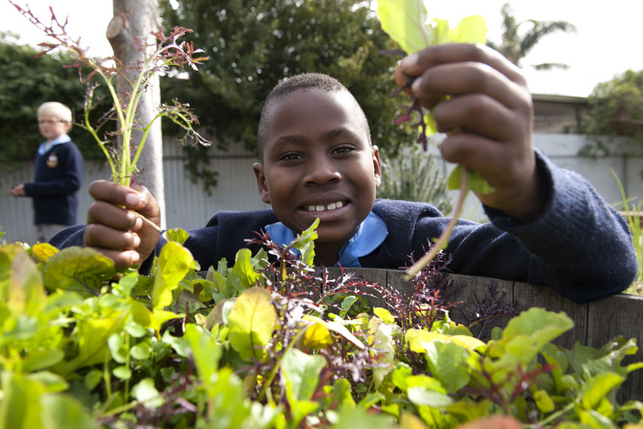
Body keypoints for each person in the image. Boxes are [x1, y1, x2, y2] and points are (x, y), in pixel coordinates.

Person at [50, 44, 637, 304]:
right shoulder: (230, 247)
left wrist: (527, 190)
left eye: (343, 150)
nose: (320, 173)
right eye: (291, 157)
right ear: (261, 183)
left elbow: (608, 266)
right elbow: (64, 250)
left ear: (376, 166)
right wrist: (138, 249)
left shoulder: (429, 245)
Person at [10, 101, 84, 243]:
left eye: (50, 121)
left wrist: (31, 189)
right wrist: (25, 189)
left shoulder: (67, 149)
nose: (44, 125)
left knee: (56, 256)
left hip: (59, 216)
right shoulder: (43, 149)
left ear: (66, 124)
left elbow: (72, 183)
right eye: (41, 121)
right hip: (42, 215)